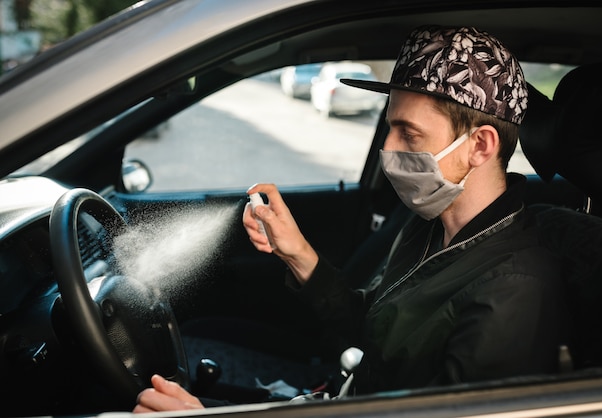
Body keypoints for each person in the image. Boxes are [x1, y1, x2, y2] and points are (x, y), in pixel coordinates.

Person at [134, 24, 570, 412]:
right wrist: (297, 252)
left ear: (480, 146)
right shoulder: (431, 222)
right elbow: (373, 326)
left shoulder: (515, 291)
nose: (389, 152)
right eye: (390, 128)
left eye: (409, 133)